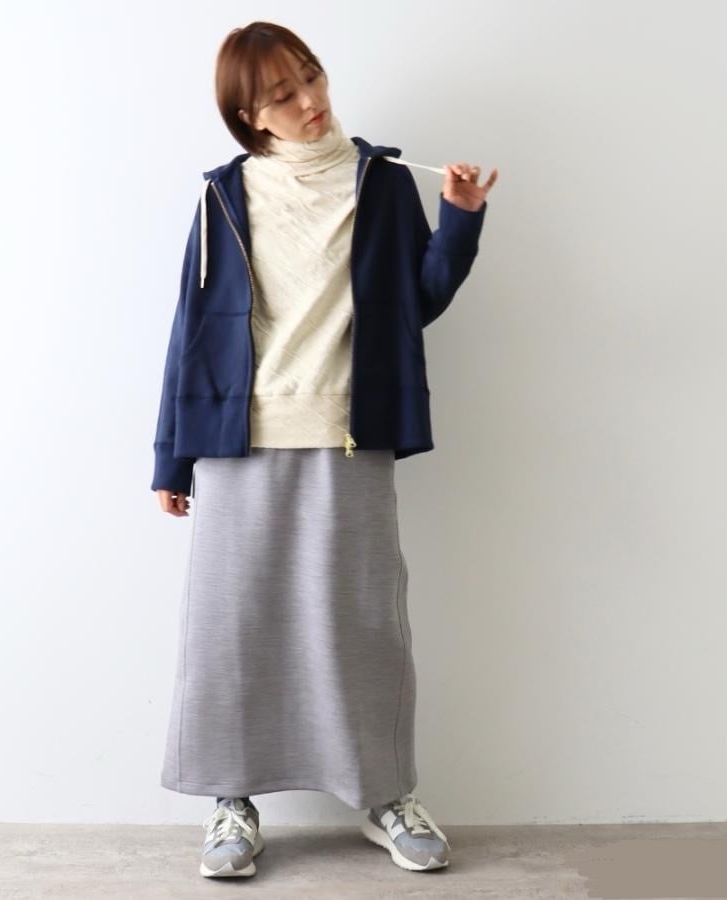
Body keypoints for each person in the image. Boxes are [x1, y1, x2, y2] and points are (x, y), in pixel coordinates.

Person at [151, 21, 497, 879]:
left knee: (363, 622)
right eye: (284, 94)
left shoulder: (382, 181)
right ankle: (232, 802)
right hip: (238, 439)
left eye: (312, 77)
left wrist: (459, 223)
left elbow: (417, 301)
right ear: (249, 114)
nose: (311, 101)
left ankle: (385, 795)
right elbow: (191, 331)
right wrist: (171, 458)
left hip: (350, 430)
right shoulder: (223, 196)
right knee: (233, 626)